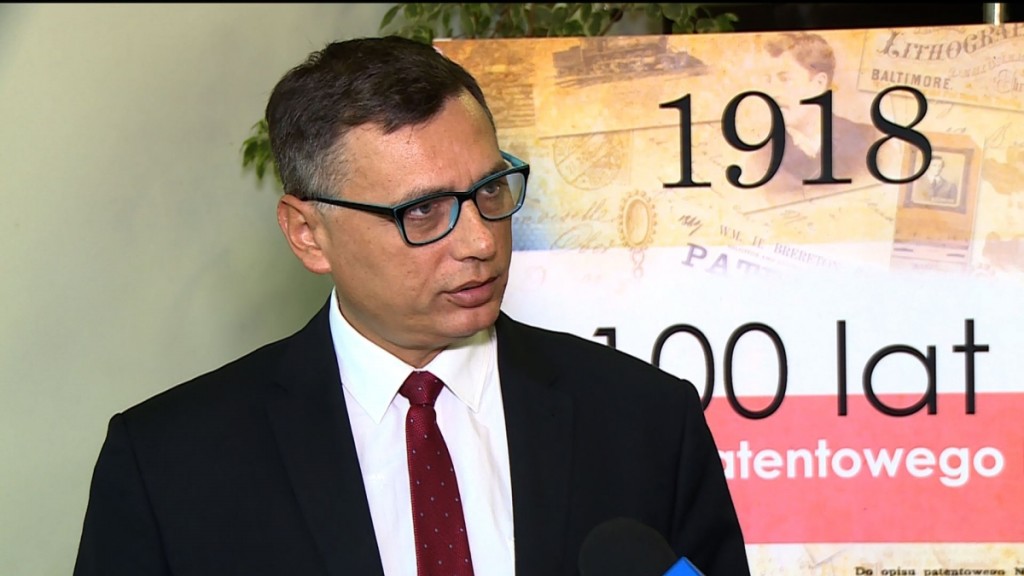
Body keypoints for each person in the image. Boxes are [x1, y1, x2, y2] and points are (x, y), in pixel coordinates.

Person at [73, 35, 750, 576]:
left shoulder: (646, 422)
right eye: (423, 211)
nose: (480, 241)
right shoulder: (169, 463)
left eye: (490, 190)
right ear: (308, 234)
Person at [741, 32, 884, 211]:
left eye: (784, 79)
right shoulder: (759, 163)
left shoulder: (871, 141)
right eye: (768, 81)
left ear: (818, 84)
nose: (772, 92)